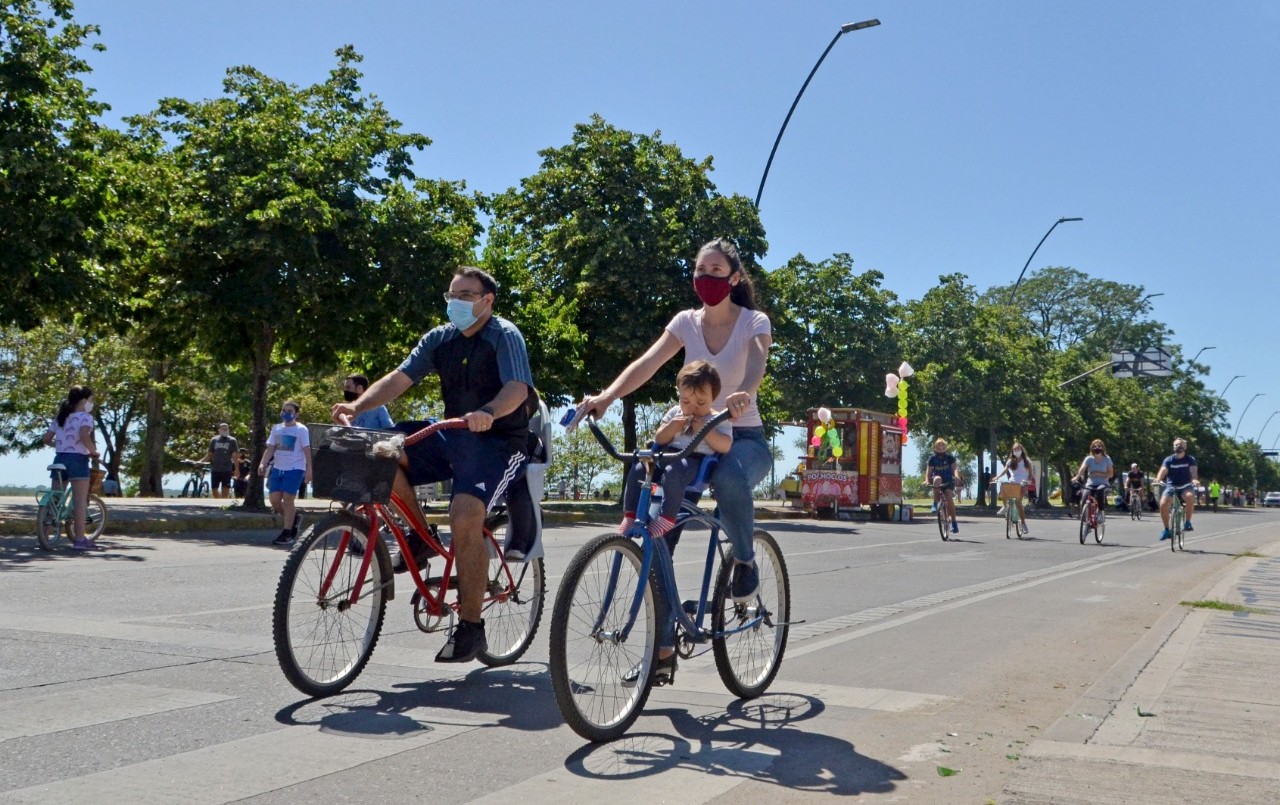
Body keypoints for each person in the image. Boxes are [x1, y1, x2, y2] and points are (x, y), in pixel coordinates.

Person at [332, 266, 535, 664]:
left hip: (497, 441)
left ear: (487, 301)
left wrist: (489, 412)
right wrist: (357, 406)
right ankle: (420, 537)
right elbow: (400, 377)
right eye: (451, 296)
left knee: (465, 514)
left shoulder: (504, 336)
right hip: (453, 432)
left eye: (465, 295)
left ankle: (472, 628)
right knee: (383, 452)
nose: (455, 303)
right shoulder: (440, 339)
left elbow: (517, 389)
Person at [578, 238, 771, 600]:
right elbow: (647, 364)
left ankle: (745, 561)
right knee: (658, 529)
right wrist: (607, 396)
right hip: (693, 439)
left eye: (716, 270)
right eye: (701, 270)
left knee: (729, 475)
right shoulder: (686, 322)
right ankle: (664, 644)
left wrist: (744, 391)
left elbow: (758, 363)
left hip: (742, 437)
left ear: (733, 278)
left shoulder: (753, 322)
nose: (706, 277)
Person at [619, 360, 733, 539]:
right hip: (667, 455)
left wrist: (705, 432)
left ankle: (667, 517)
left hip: (696, 461)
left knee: (674, 471)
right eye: (685, 401)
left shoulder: (717, 419)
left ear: (713, 398)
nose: (692, 408)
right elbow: (659, 438)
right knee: (639, 468)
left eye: (701, 403)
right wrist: (672, 427)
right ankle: (630, 515)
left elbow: (725, 445)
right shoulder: (675, 413)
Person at [41, 386, 101, 550]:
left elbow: (46, 438)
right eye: (91, 400)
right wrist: (93, 451)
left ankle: (44, 533)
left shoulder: (61, 417)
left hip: (59, 458)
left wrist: (59, 445)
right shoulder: (86, 417)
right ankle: (80, 540)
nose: (91, 403)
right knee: (80, 500)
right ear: (83, 401)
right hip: (77, 460)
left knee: (55, 499)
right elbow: (83, 436)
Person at [259, 400, 312, 545]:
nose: (285, 414)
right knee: (275, 500)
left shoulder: (301, 430)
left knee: (288, 498)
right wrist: (263, 463)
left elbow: (307, 450)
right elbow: (270, 448)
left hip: (295, 468)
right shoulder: (277, 428)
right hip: (278, 468)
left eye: (289, 411)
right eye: (283, 410)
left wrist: (309, 469)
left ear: (296, 414)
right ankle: (294, 518)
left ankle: (287, 532)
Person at [1155, 437, 1198, 540]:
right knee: (1163, 504)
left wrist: (1195, 480)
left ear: (1185, 447)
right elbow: (1163, 470)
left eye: (1181, 445)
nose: (1178, 447)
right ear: (1173, 447)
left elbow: (1193, 472)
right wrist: (1158, 479)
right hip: (1171, 486)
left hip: (1185, 485)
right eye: (1176, 445)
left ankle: (1187, 522)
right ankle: (1166, 530)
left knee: (1190, 496)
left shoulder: (1190, 459)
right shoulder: (1169, 459)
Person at [993, 441, 1032, 535]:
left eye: (1018, 449)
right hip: (1013, 482)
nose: (1016, 451)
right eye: (1014, 449)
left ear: (1021, 450)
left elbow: (1030, 474)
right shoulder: (1011, 460)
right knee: (1003, 486)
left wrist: (1027, 482)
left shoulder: (1026, 460)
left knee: (1019, 502)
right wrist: (997, 477)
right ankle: (1005, 507)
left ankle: (1023, 523)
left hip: (1023, 483)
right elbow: (1005, 469)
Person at [925, 438, 962, 534]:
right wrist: (927, 480)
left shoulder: (950, 457)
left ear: (945, 447)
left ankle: (954, 522)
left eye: (942, 446)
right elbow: (928, 471)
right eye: (938, 446)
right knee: (937, 479)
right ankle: (935, 503)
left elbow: (955, 468)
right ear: (935, 448)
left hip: (948, 480)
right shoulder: (932, 458)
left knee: (949, 498)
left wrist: (957, 476)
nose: (940, 448)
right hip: (938, 480)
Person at [196, 423, 239, 499]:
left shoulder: (232, 440)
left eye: (226, 429)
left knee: (225, 490)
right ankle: (218, 503)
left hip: (227, 469)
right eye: (223, 429)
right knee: (214, 490)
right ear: (219, 430)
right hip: (215, 468)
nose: (225, 431)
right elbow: (210, 454)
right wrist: (201, 461)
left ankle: (223, 506)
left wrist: (236, 469)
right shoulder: (214, 440)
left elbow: (235, 456)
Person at [1073, 438, 1114, 516]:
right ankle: (1086, 518)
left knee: (1099, 491)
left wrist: (1098, 473)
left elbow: (1111, 474)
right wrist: (1077, 477)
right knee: (1084, 499)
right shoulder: (1089, 458)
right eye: (1094, 446)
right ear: (1092, 448)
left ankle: (1101, 513)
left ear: (1102, 448)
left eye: (1099, 446)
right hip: (1091, 484)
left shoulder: (1107, 459)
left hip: (1103, 483)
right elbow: (1082, 468)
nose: (1097, 448)